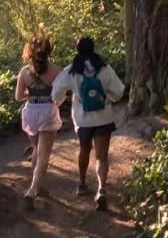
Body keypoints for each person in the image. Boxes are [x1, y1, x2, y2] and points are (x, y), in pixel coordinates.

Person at [51, 36, 125, 212]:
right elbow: (119, 91)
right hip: (103, 117)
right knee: (102, 156)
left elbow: (55, 93)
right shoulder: (104, 68)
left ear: (77, 50)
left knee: (84, 150)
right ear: (93, 48)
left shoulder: (72, 70)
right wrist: (109, 98)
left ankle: (82, 183)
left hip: (82, 119)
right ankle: (101, 189)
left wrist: (64, 98)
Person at [15, 30, 62, 209]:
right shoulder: (57, 70)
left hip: (31, 112)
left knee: (36, 148)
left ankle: (37, 186)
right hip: (48, 111)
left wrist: (31, 93)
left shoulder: (24, 72)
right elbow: (60, 96)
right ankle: (33, 189)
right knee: (43, 154)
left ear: (29, 51)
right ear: (49, 50)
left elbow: (18, 96)